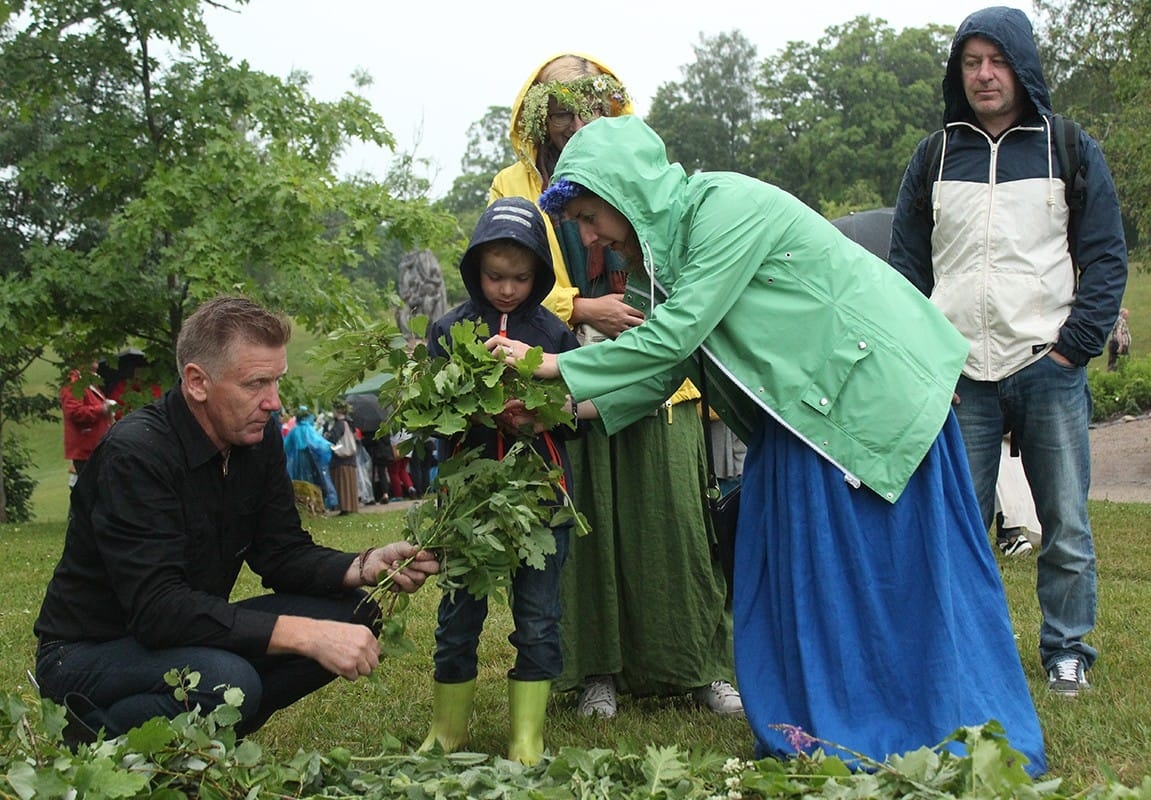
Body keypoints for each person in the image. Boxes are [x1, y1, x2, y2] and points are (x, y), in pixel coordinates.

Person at [486, 115, 1047, 775]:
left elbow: (672, 337)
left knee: (892, 580)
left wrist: (545, 366)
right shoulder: (657, 276)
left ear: (626, 194)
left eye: (589, 216)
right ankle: (827, 728)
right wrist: (560, 414)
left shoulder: (725, 209)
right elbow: (661, 375)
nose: (588, 237)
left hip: (864, 402)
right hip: (801, 424)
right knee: (796, 582)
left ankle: (911, 721)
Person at [33, 296, 439, 743]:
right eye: (255, 384)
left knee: (355, 613)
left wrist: (364, 565)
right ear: (197, 382)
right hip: (87, 653)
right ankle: (94, 737)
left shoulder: (256, 438)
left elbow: (281, 551)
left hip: (177, 638)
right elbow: (158, 610)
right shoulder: (137, 454)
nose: (273, 403)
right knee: (230, 682)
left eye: (277, 381)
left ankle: (215, 734)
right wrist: (304, 635)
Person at [490, 52, 741, 718]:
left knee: (675, 521)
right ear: (538, 117)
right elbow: (505, 275)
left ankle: (697, 666)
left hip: (664, 368)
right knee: (587, 525)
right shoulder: (513, 185)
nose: (574, 122)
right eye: (560, 110)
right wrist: (579, 308)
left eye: (587, 107)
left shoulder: (646, 177)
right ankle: (596, 671)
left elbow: (681, 271)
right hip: (566, 361)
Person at [889, 6, 1127, 699]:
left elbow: (1106, 256)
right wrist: (931, 359)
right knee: (959, 526)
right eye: (971, 62)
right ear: (957, 71)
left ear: (1021, 65)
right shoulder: (933, 156)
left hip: (1044, 363)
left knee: (1065, 521)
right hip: (962, 375)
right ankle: (968, 650)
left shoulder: (1067, 146)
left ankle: (1067, 650)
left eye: (996, 61)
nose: (984, 75)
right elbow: (906, 269)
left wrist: (1072, 349)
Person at [419, 197, 583, 765]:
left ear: (539, 272)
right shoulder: (448, 329)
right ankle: (447, 731)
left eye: (520, 277)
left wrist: (542, 410)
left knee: (538, 618)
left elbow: (578, 414)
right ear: (474, 270)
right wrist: (475, 399)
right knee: (459, 611)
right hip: (468, 498)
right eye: (494, 276)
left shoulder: (556, 335)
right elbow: (429, 413)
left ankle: (526, 739)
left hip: (541, 496)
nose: (507, 289)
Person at [60, 362, 117, 486]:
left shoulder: (89, 382)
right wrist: (102, 408)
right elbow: (74, 412)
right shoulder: (74, 384)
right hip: (87, 449)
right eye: (91, 359)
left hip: (95, 447)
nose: (96, 365)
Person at [325, 399, 360, 515]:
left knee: (343, 483)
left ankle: (344, 506)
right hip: (350, 459)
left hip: (341, 459)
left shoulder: (339, 424)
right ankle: (351, 506)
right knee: (349, 483)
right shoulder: (349, 423)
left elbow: (333, 439)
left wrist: (326, 435)